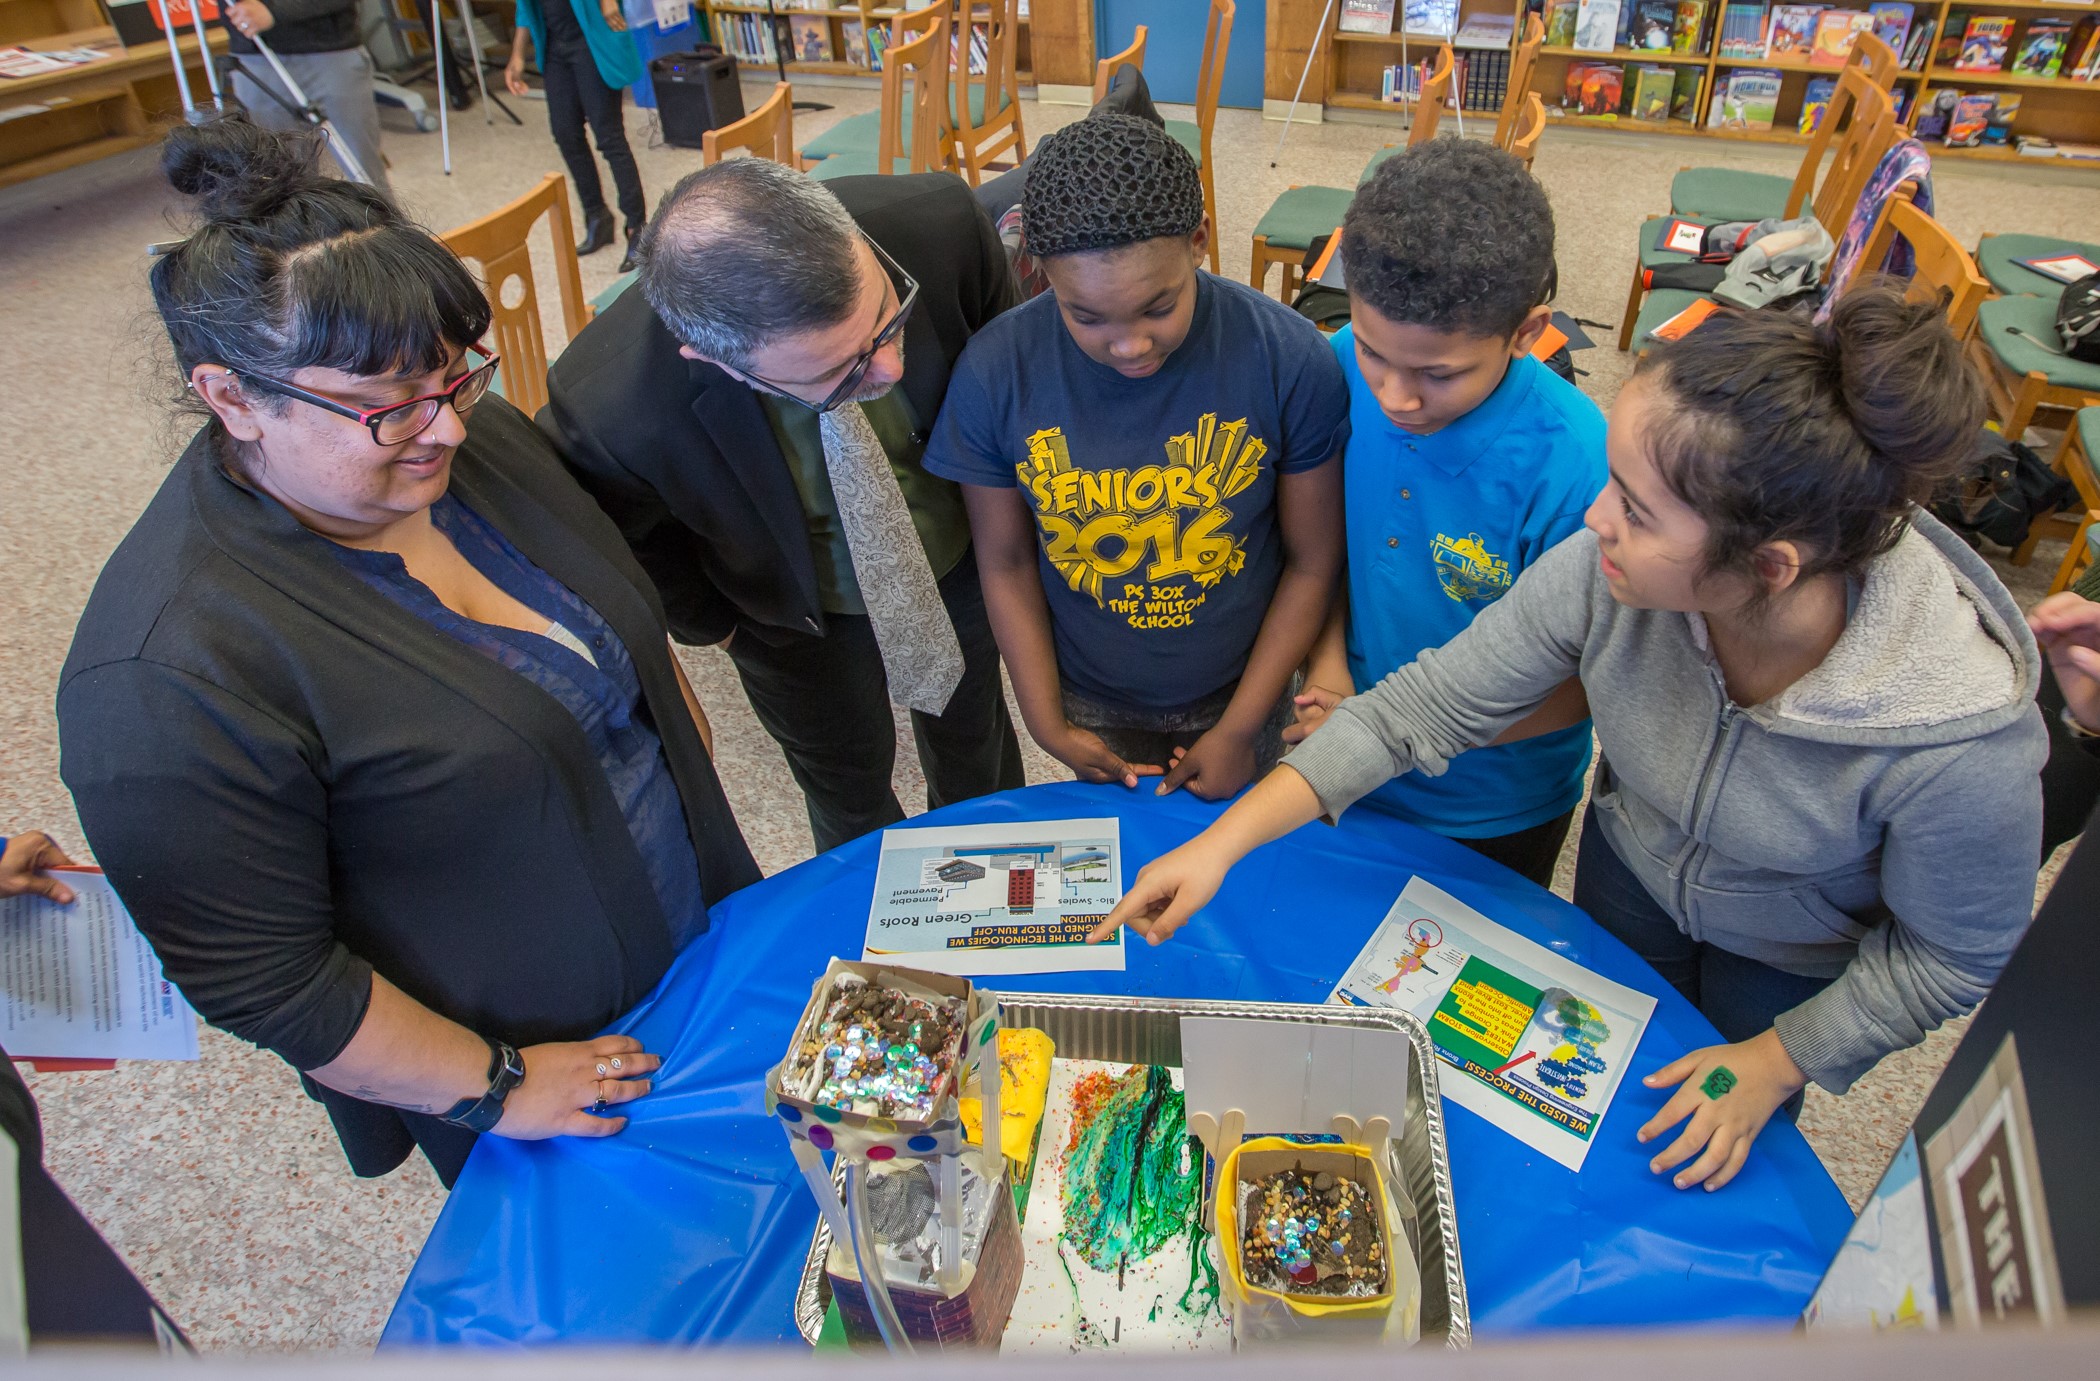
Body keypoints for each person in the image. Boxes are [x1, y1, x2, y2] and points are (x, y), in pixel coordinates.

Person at [1095, 287, 2046, 1192]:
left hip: (1793, 961)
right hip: (1631, 872)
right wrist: (1222, 844)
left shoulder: (1957, 741)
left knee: (1711, 1130)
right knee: (1592, 1103)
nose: (1597, 519)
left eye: (1635, 509)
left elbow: (1954, 954)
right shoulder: (1612, 569)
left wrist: (1775, 1061)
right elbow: (1417, 708)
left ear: (1766, 566)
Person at [56, 117, 759, 1187]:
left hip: (697, 938)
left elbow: (627, 647)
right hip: (534, 1060)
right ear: (231, 398)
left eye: (453, 379)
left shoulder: (453, 452)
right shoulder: (169, 675)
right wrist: (500, 1083)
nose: (445, 430)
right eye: (385, 410)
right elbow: (271, 980)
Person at [545, 161, 1026, 853]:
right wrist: (725, 630)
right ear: (717, 361)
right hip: (794, 622)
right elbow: (641, 544)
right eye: (837, 373)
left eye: (888, 321)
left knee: (974, 739)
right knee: (847, 786)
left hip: (959, 555)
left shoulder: (938, 220)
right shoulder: (609, 412)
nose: (888, 369)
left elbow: (1008, 368)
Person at [923, 113, 1348, 799]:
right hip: (1090, 697)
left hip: (1249, 686)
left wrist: (1240, 729)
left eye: (1158, 307)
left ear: (1199, 243)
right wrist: (1044, 721)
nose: (1129, 345)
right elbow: (1003, 561)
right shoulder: (996, 372)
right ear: (1042, 274)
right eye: (1086, 316)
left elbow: (1313, 559)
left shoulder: (1287, 356)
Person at [1289, 140, 1605, 887]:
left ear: (1528, 332)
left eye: (1439, 373)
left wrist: (1388, 734)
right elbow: (1326, 544)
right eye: (1375, 352)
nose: (1395, 397)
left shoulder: (1579, 465)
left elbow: (1589, 682)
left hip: (1495, 804)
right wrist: (1330, 665)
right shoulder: (1336, 365)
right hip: (1343, 756)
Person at [506, 0, 647, 271]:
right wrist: (517, 54)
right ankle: (597, 217)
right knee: (566, 134)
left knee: (609, 138)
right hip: (555, 49)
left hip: (591, 42)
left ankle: (637, 229)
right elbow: (524, 8)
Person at [222, 0, 392, 202]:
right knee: (282, 176)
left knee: (362, 166)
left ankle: (387, 227)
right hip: (256, 53)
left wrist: (276, 12)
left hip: (329, 49)